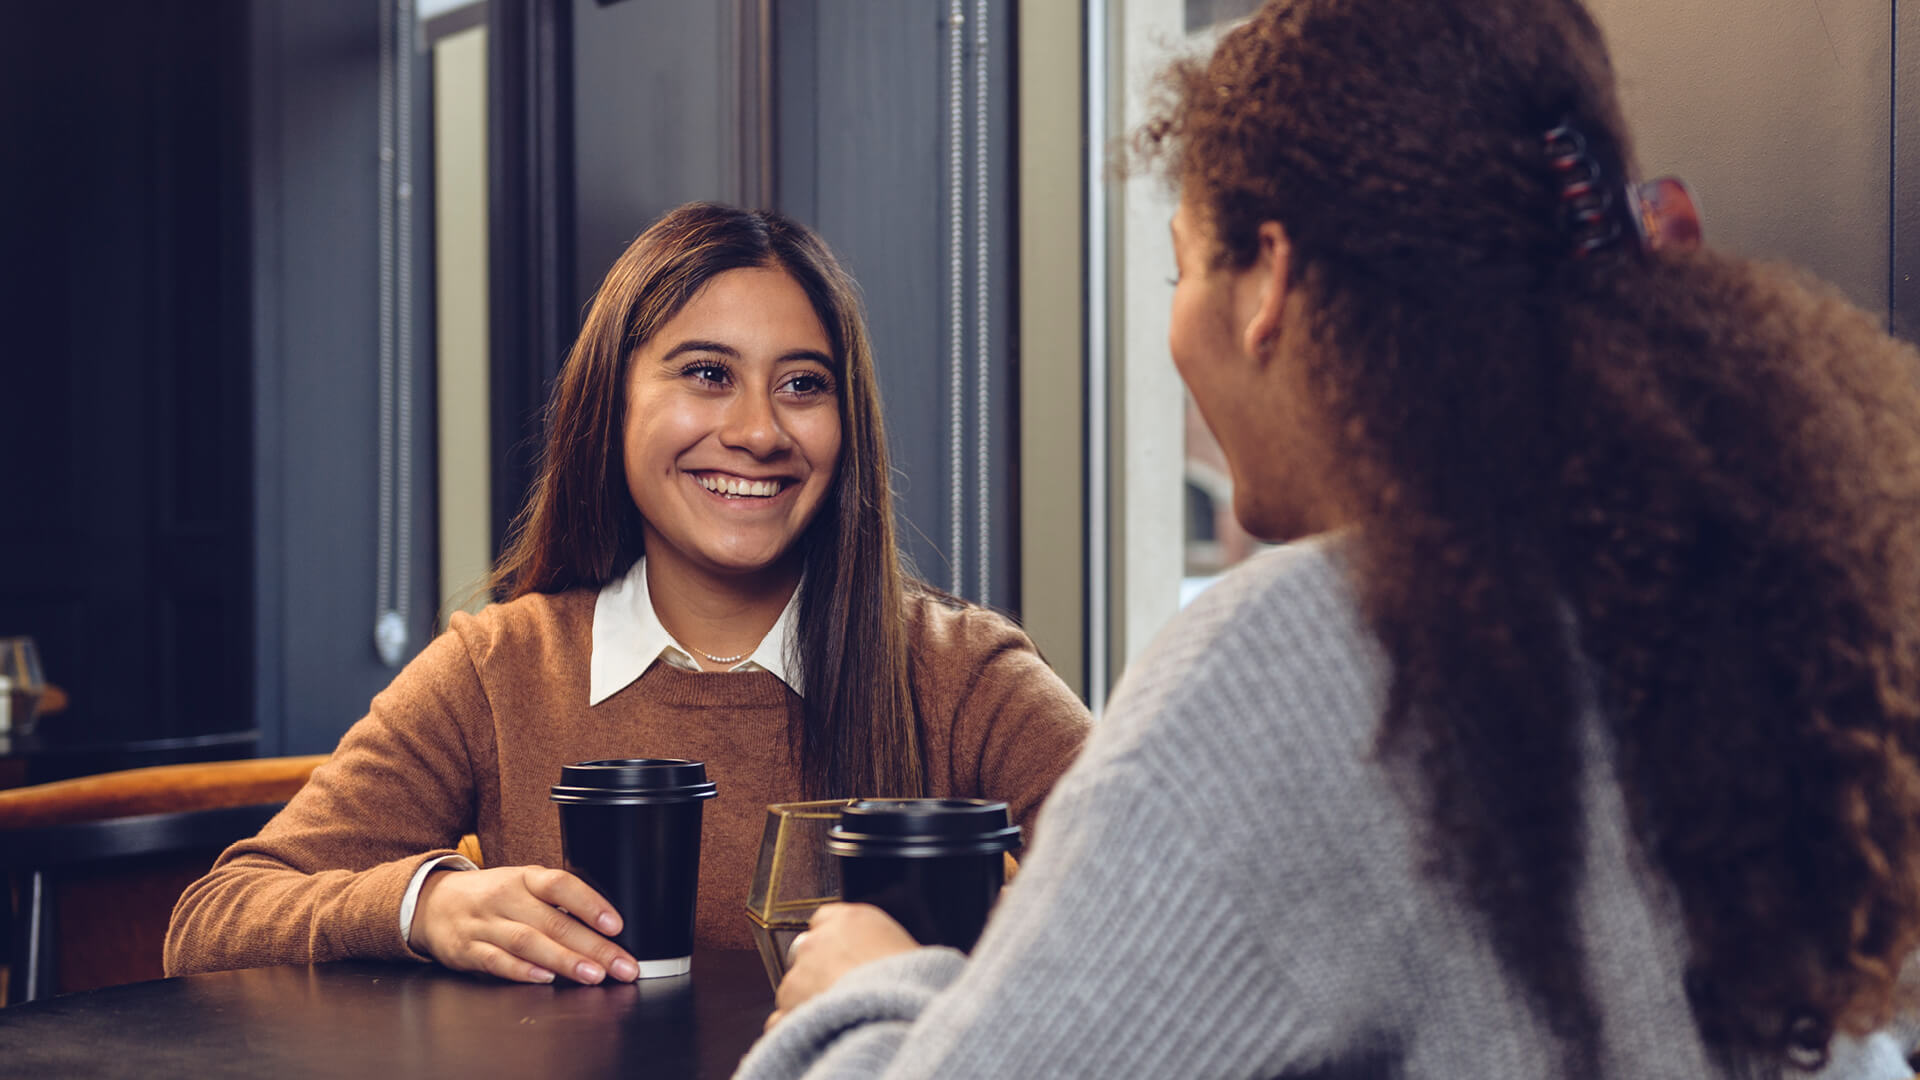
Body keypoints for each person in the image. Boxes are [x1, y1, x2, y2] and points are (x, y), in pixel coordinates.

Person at [735, 1, 1920, 1076]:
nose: (1175, 323)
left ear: (1270, 284)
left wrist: (868, 988)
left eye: (1183, 267)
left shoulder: (1312, 655)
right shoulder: (1728, 600)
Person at [164, 203, 1090, 988]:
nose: (759, 430)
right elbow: (213, 921)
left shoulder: (964, 673)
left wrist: (987, 963)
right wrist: (429, 904)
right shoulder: (500, 671)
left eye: (803, 385)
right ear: (612, 402)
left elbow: (1184, 921)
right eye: (706, 374)